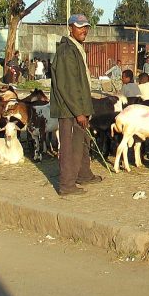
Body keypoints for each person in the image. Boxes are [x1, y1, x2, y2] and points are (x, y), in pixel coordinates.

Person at [50, 14, 102, 196]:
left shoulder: (77, 48)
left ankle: (83, 174)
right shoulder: (66, 51)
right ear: (70, 28)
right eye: (79, 26)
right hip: (69, 109)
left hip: (80, 106)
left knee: (82, 142)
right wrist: (79, 112)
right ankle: (66, 185)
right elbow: (68, 85)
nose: (84, 30)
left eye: (86, 26)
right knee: (70, 145)